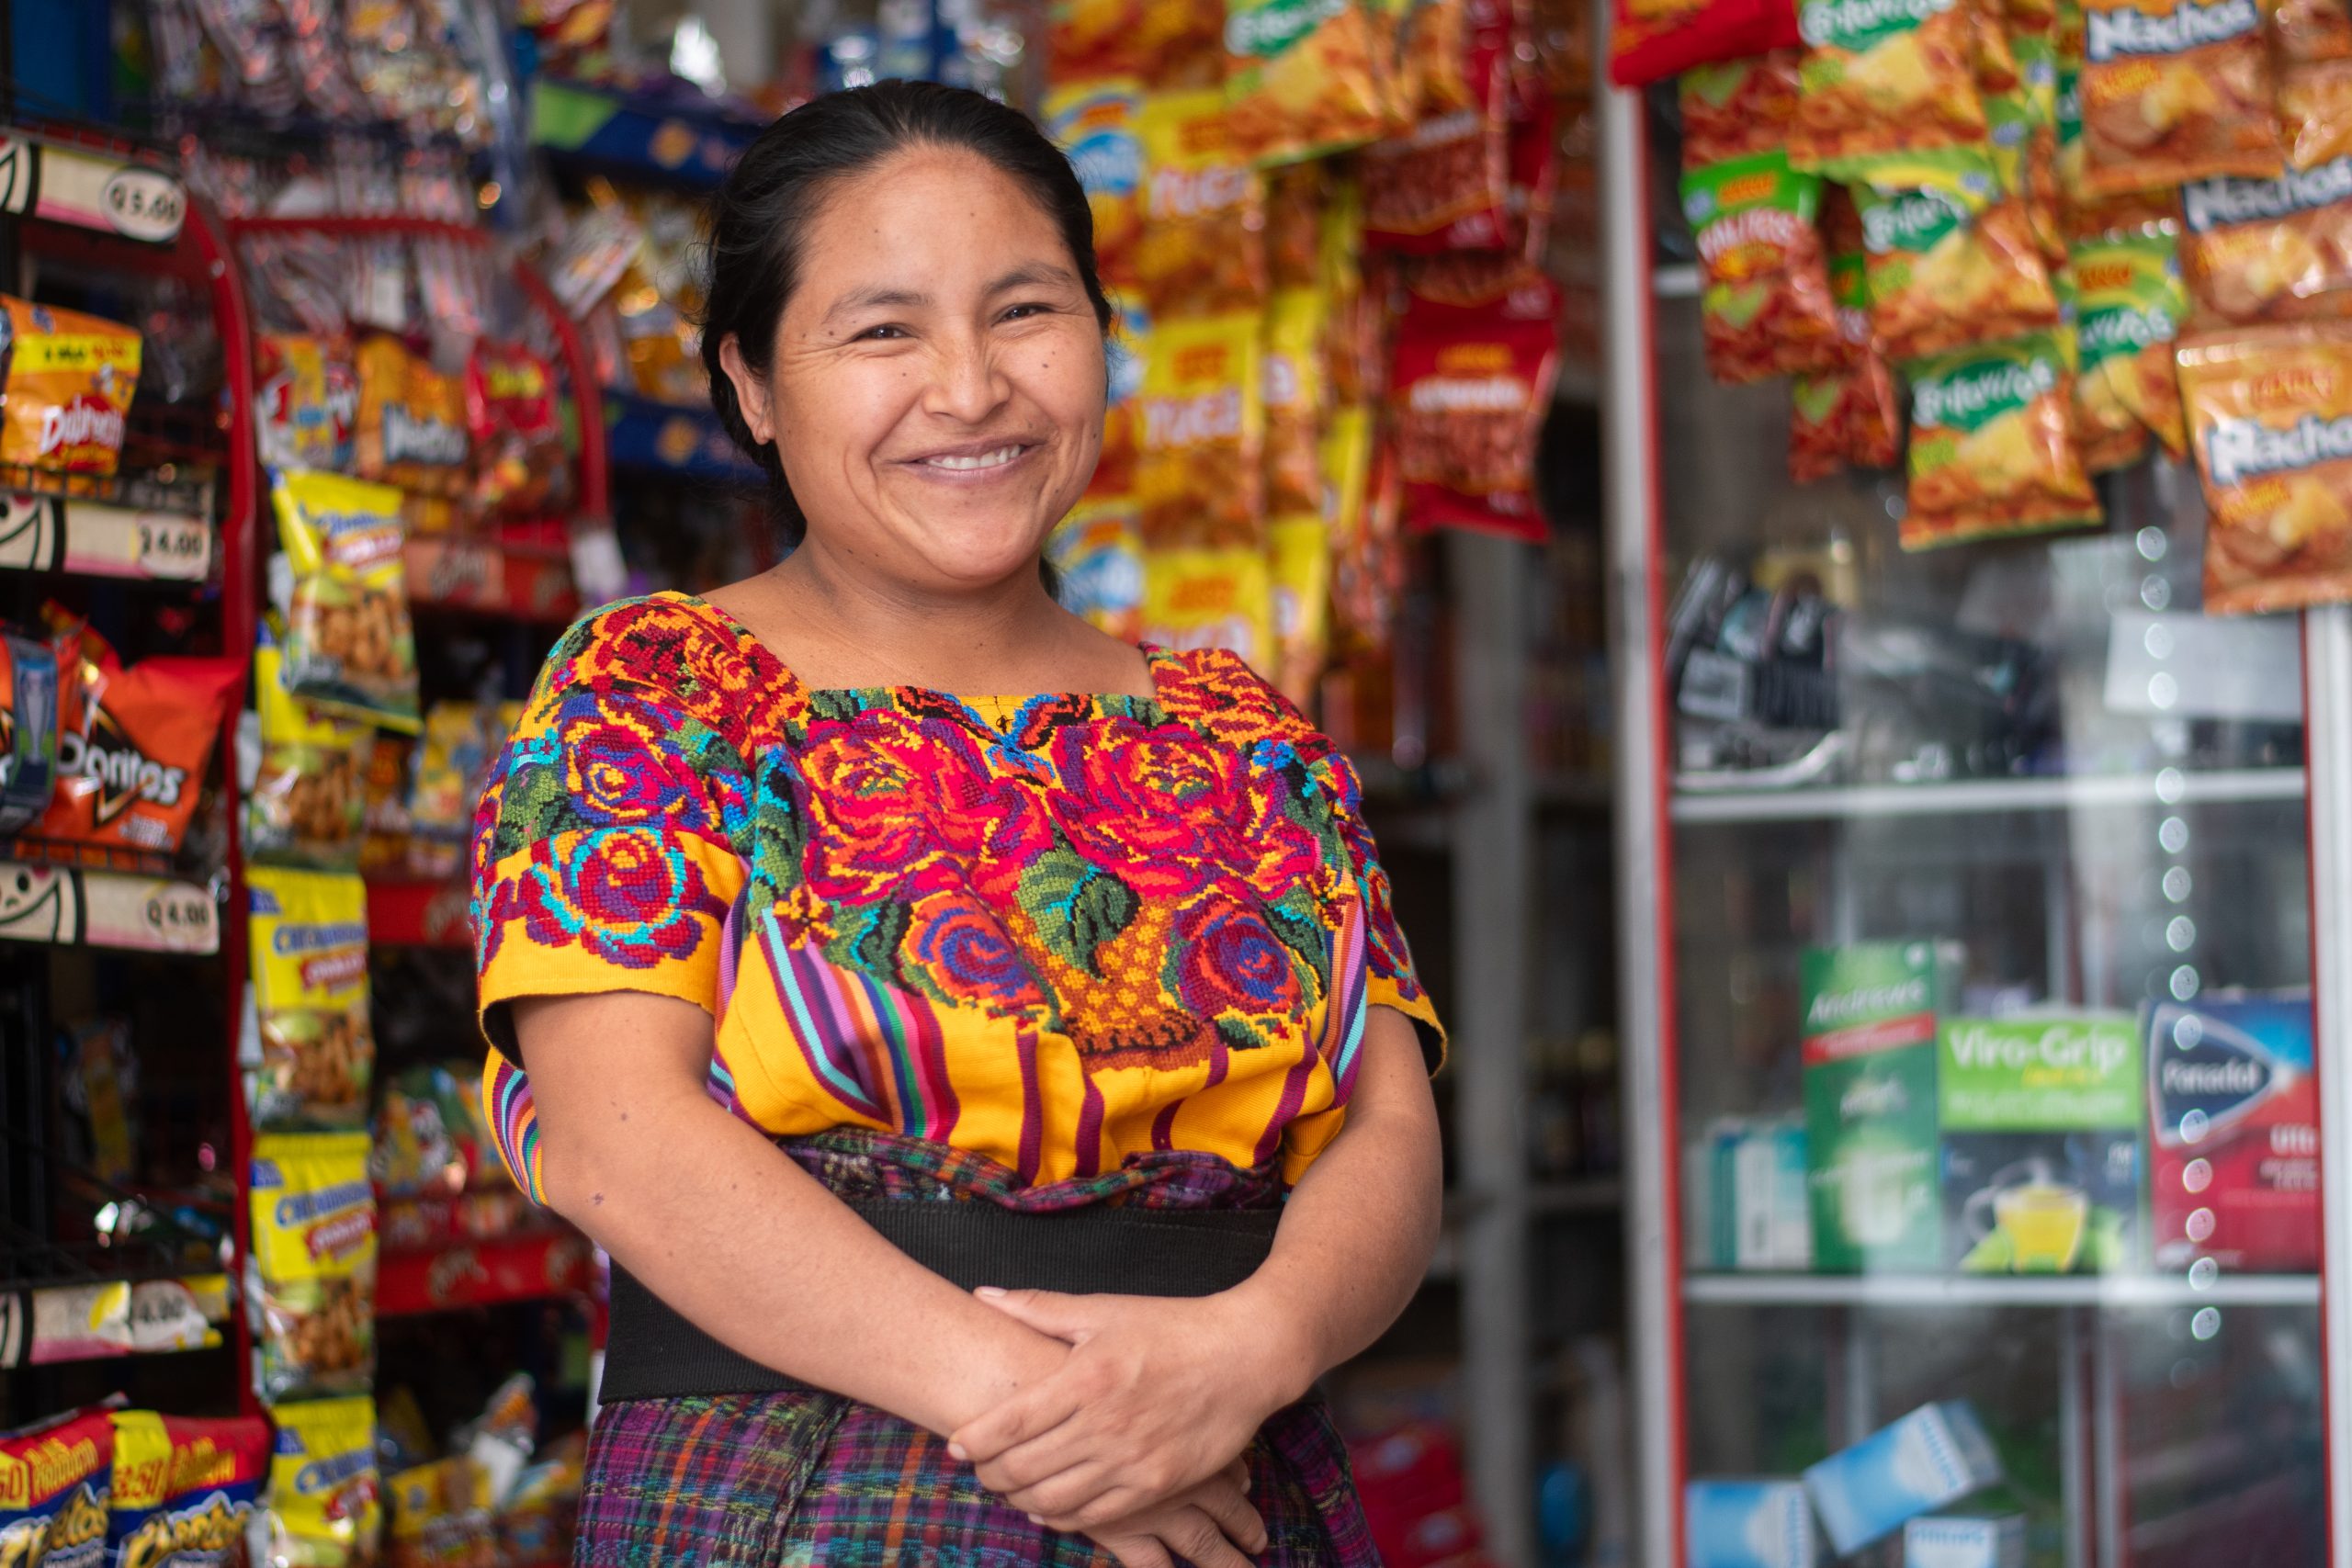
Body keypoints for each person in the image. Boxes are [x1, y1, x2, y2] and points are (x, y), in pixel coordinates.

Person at [470, 79, 1446, 1568]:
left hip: (1229, 1474)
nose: (972, 389)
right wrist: (1059, 1421)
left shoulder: (1247, 735)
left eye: (1025, 312)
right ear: (751, 384)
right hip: (812, 1488)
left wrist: (1256, 1347)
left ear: (1102, 335)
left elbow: (1390, 1127)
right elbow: (625, 1143)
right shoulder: (657, 693)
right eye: (883, 332)